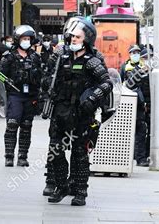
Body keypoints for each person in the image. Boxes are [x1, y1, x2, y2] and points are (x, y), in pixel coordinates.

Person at [44, 18, 112, 206]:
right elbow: (48, 78)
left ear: (87, 38)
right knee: (55, 151)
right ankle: (61, 185)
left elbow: (107, 83)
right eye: (72, 36)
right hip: (61, 111)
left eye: (78, 36)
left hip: (82, 113)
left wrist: (91, 99)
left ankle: (80, 191)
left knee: (79, 153)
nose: (73, 39)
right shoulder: (61, 57)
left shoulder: (92, 61)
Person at [0, 25, 42, 167]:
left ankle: (23, 156)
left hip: (30, 95)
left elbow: (42, 76)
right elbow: (0, 76)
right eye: (24, 38)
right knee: (12, 124)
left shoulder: (35, 57)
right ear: (18, 40)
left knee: (26, 125)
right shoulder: (9, 56)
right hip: (15, 94)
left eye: (28, 39)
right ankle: (9, 156)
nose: (26, 41)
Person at [125, 48, 151, 167]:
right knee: (139, 132)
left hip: (150, 106)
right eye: (145, 58)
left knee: (148, 132)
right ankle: (140, 158)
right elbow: (129, 84)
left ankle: (145, 156)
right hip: (138, 105)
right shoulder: (136, 70)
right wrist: (141, 72)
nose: (147, 61)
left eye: (149, 58)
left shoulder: (156, 72)